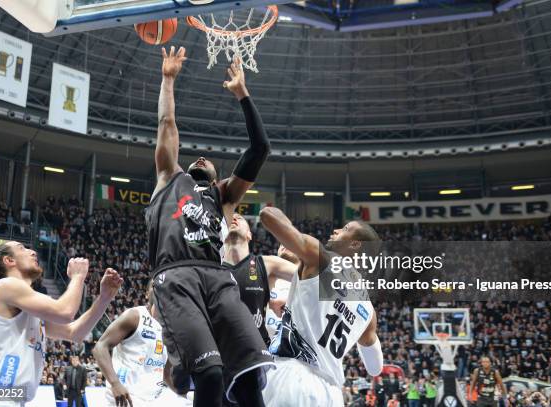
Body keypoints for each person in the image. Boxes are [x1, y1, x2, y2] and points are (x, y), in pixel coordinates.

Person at [147, 46, 272, 407]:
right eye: (196, 158)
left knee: (249, 379)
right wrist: (168, 80)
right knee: (212, 373)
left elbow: (260, 148)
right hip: (176, 275)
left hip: (218, 278)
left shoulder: (224, 196)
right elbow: (166, 125)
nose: (200, 159)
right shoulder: (169, 177)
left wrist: (243, 95)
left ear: (218, 175)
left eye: (209, 162)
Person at [0, 241, 123, 406]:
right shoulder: (6, 286)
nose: (33, 251)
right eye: (22, 248)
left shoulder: (26, 304)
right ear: (9, 260)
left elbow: (74, 333)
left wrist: (104, 298)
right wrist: (78, 277)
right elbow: (65, 312)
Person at [258, 207, 384, 406]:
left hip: (293, 378)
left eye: (345, 229)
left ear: (355, 244)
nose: (336, 231)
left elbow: (268, 216)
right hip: (332, 393)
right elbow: (375, 368)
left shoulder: (321, 258)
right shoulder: (369, 311)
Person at [93, 282, 192, 407]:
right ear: (146, 294)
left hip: (152, 399)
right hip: (125, 397)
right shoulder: (134, 316)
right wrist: (115, 384)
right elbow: (100, 347)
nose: (159, 289)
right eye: (154, 286)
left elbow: (166, 372)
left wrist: (182, 395)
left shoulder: (172, 329)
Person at [222, 213, 297, 345]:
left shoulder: (268, 264)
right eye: (228, 219)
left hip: (258, 351)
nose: (233, 219)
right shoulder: (211, 269)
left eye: (239, 218)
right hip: (223, 350)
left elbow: (324, 283)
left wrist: (293, 301)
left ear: (249, 234)